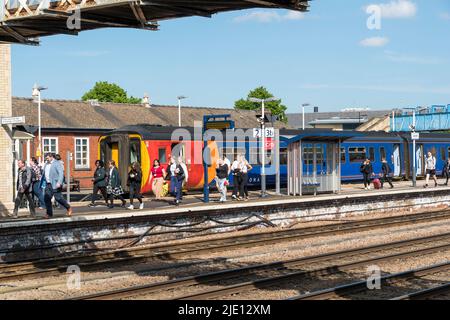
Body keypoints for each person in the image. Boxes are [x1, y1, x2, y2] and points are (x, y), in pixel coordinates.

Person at [43, 153, 72, 218]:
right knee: (46, 198)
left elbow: (61, 173)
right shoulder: (46, 163)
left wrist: (59, 182)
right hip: (48, 184)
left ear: (51, 157)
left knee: (58, 198)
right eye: (46, 158)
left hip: (55, 184)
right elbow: (44, 173)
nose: (46, 159)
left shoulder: (57, 163)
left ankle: (68, 207)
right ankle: (49, 213)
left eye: (47, 158)